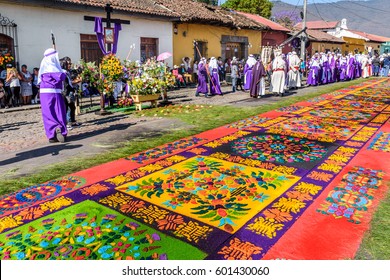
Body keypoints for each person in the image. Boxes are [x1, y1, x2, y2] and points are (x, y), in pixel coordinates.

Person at [38, 48, 68, 143]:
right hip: (54, 92)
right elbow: (61, 77)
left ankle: (51, 134)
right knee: (58, 111)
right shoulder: (52, 67)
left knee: (48, 113)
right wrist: (64, 72)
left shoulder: (43, 68)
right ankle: (60, 130)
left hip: (43, 93)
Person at [60, 56, 81, 129]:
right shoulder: (62, 72)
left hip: (70, 90)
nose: (70, 65)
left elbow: (70, 81)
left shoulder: (68, 71)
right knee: (67, 108)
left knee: (72, 107)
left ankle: (72, 121)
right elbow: (65, 83)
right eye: (68, 64)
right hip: (65, 92)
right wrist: (75, 82)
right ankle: (68, 122)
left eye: (70, 63)